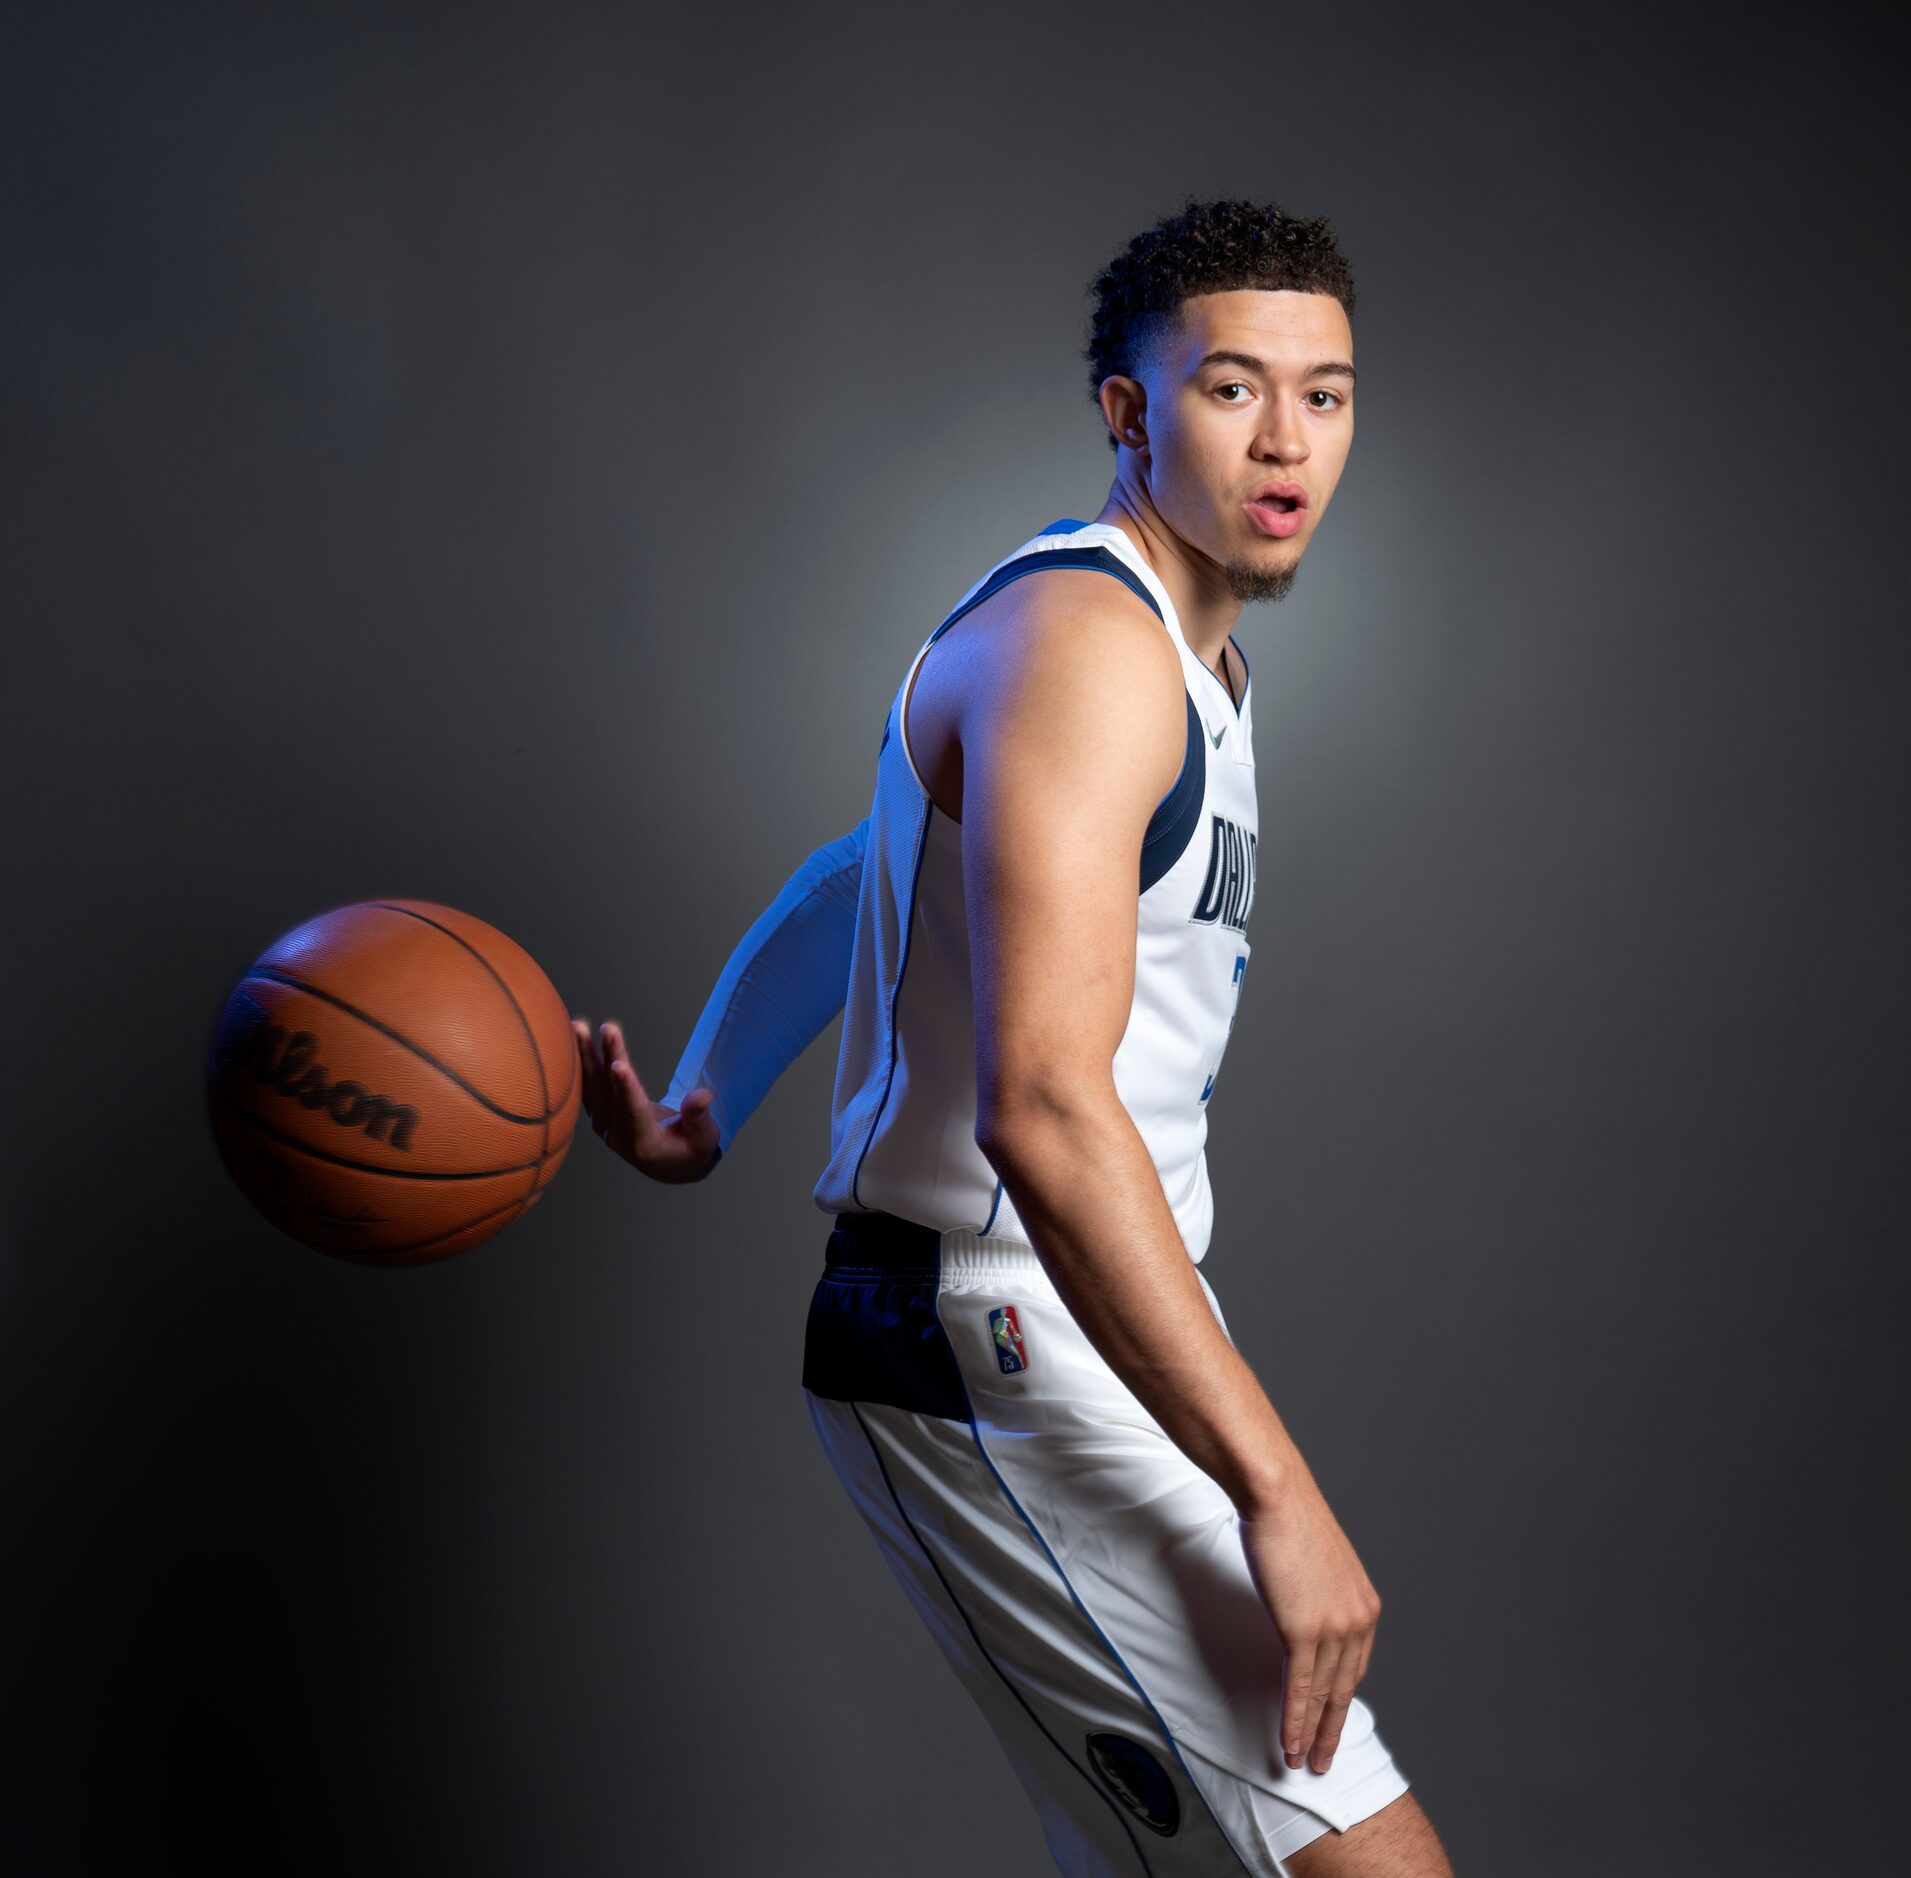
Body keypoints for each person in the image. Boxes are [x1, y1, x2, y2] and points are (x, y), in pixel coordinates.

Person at [572, 196, 1456, 1877]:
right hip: (989, 1343)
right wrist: (1278, 1484)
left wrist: (703, 1099)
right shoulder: (1090, 650)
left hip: (1060, 1328)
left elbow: (874, 864)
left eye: (1326, 394)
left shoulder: (1182, 659)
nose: (1288, 442)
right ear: (1129, 412)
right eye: (1231, 389)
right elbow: (1043, 1111)